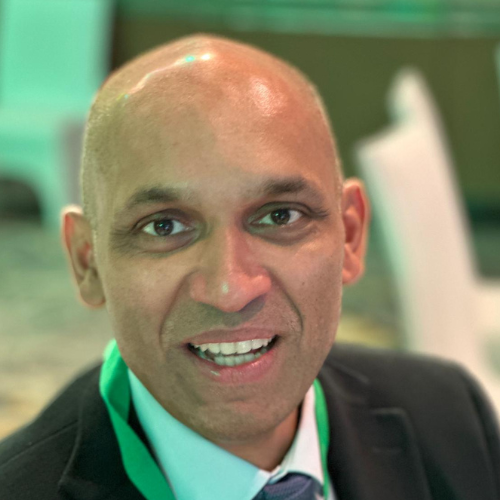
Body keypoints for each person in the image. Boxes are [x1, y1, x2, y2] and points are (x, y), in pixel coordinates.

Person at [0, 33, 499, 500]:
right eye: (164, 226)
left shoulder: (452, 419)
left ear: (350, 235)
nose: (230, 289)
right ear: (87, 262)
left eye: (280, 216)